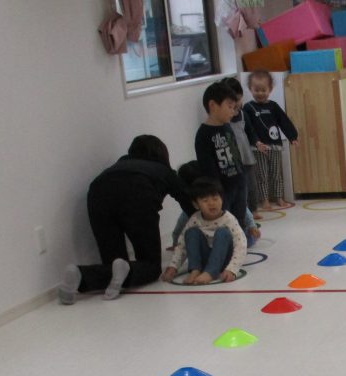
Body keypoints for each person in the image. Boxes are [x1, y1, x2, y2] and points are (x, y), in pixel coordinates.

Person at [58, 135, 193, 304]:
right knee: (150, 265)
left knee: (114, 263)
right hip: (138, 193)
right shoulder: (163, 170)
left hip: (97, 193)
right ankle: (124, 270)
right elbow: (189, 201)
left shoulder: (117, 166)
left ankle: (80, 275)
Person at [162, 177, 247, 285]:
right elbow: (182, 245)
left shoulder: (228, 219)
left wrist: (232, 269)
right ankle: (195, 270)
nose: (211, 203)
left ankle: (211, 272)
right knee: (191, 233)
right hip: (204, 261)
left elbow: (241, 244)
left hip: (224, 260)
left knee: (222, 232)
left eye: (215, 198)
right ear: (196, 204)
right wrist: (173, 267)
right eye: (205, 200)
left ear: (222, 199)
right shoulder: (195, 219)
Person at [243, 70, 300, 211]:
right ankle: (265, 200)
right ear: (250, 88)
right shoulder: (248, 108)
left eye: (264, 90)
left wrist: (292, 137)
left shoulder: (273, 106)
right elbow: (248, 129)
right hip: (258, 148)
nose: (260, 93)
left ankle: (279, 198)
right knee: (261, 175)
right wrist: (256, 142)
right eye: (256, 90)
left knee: (276, 173)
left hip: (274, 146)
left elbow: (284, 121)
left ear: (270, 89)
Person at [195, 81, 247, 226]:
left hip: (239, 184)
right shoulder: (203, 134)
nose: (233, 112)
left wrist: (242, 178)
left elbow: (236, 155)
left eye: (234, 108)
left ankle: (241, 240)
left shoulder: (227, 128)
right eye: (229, 107)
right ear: (212, 105)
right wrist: (216, 192)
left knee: (239, 223)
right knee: (223, 224)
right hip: (222, 191)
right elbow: (207, 167)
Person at [221, 76, 260, 213]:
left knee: (251, 185)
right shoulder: (224, 119)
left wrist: (257, 142)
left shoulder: (243, 115)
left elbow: (250, 131)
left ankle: (253, 210)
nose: (236, 104)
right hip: (233, 160)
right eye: (231, 102)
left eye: (238, 99)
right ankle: (243, 211)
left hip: (246, 156)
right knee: (239, 188)